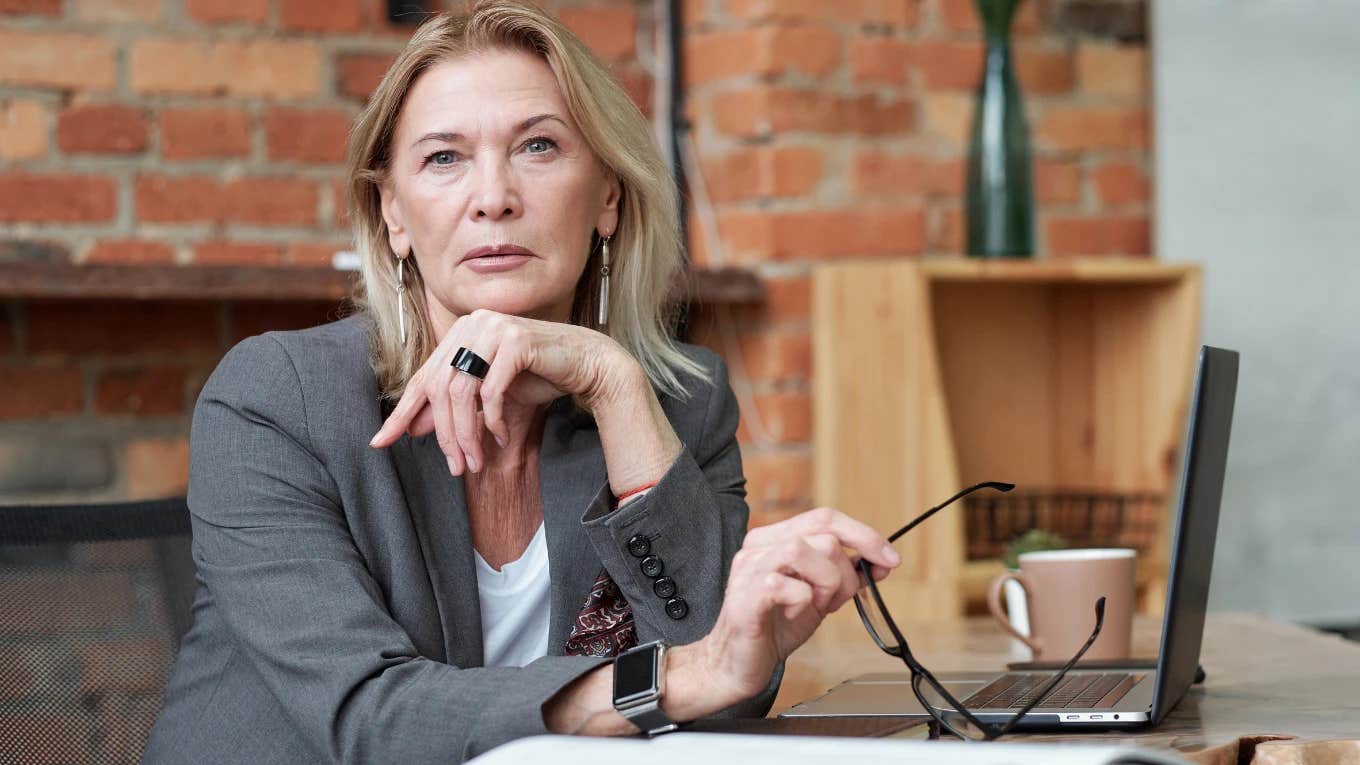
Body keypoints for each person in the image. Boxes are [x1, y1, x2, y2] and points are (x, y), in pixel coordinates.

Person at [142, 2, 899, 762]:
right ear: (393, 213)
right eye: (444, 158)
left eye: (538, 146)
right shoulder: (277, 399)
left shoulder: (681, 400)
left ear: (608, 194)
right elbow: (371, 717)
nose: (494, 195)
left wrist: (613, 383)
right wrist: (671, 682)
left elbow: (728, 680)